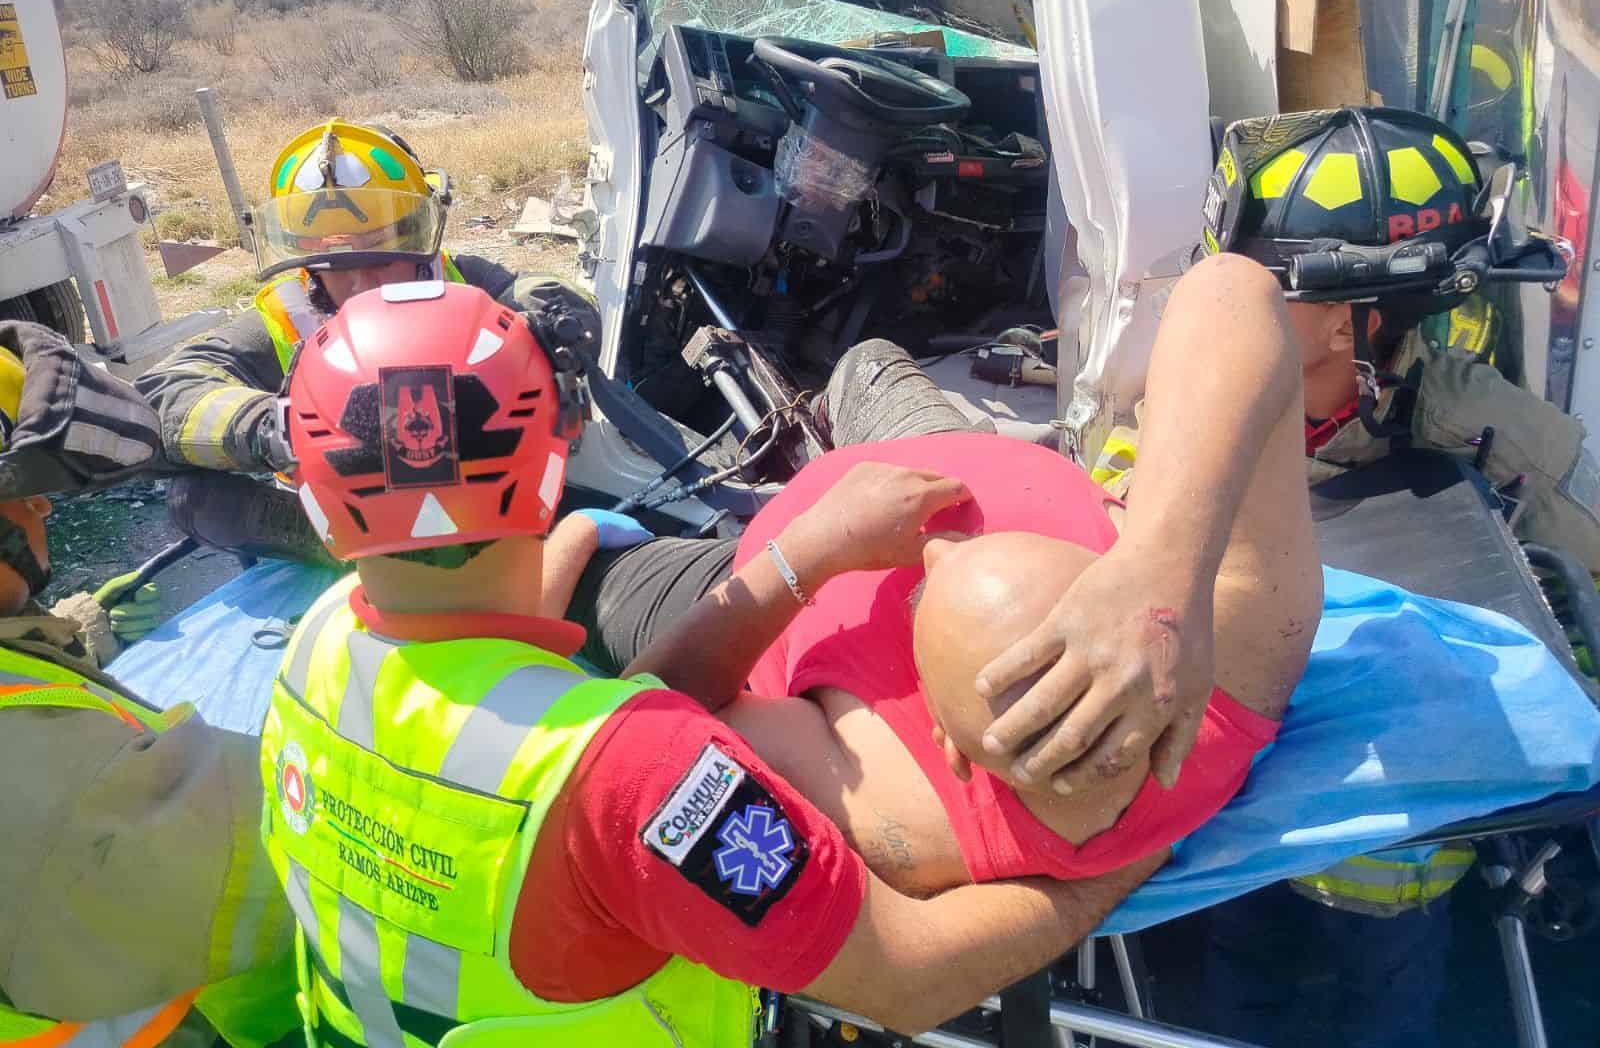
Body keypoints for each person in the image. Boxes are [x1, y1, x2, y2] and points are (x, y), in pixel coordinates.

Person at [262, 281, 1165, 1047]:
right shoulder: (644, 777)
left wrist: (800, 560)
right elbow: (910, 977)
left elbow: (572, 742)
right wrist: (1130, 850)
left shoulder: (318, 647)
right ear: (555, 453)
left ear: (314, 499)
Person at [1073, 105, 1578, 1048]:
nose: (1228, 302)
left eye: (1267, 289)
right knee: (1232, 1000)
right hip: (1238, 827)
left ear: (1349, 318)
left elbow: (1580, 553)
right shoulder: (1199, 409)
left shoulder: (1474, 425)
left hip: (1399, 860)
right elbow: (1111, 512)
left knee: (1389, 1014)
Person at [617, 249, 1320, 897]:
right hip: (927, 456)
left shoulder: (901, 811)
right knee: (865, 362)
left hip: (756, 577)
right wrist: (1164, 574)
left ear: (949, 748)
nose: (932, 547)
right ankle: (821, 421)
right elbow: (1233, 288)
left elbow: (635, 726)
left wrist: (816, 548)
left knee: (603, 564)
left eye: (925, 591)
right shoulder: (1233, 664)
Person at [0, 323, 296, 1048]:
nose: (40, 507)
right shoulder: (61, 787)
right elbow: (303, 855)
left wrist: (71, 633)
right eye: (17, 494)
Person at [136, 119, 596, 565]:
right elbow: (161, 396)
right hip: (348, 516)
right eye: (337, 263)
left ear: (417, 240)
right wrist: (281, 427)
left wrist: (547, 319)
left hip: (487, 503)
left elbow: (564, 309)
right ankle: (369, 559)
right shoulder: (289, 313)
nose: (361, 285)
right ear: (308, 258)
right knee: (194, 499)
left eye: (380, 254)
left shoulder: (468, 284)